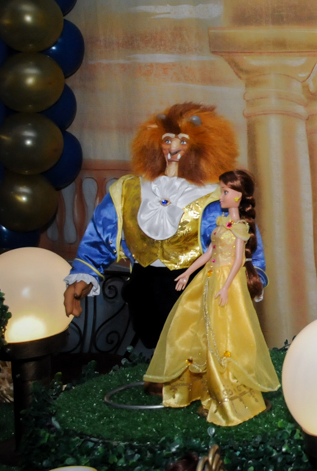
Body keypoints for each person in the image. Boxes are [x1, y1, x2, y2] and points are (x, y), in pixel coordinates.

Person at [62, 103, 268, 349]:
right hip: (143, 290)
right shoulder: (128, 190)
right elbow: (99, 235)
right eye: (167, 140)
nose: (173, 149)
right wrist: (82, 279)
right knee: (155, 352)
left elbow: (243, 245)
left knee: (195, 355)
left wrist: (245, 281)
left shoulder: (217, 197)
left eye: (183, 142)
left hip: (197, 289)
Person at [144, 170, 280, 426]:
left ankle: (227, 393)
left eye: (226, 191)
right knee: (194, 325)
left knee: (224, 333)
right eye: (222, 190)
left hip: (227, 282)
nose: (221, 195)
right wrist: (187, 273)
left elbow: (239, 260)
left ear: (239, 197)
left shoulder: (241, 227)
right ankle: (199, 387)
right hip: (207, 280)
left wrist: (227, 285)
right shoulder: (221, 223)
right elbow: (208, 253)